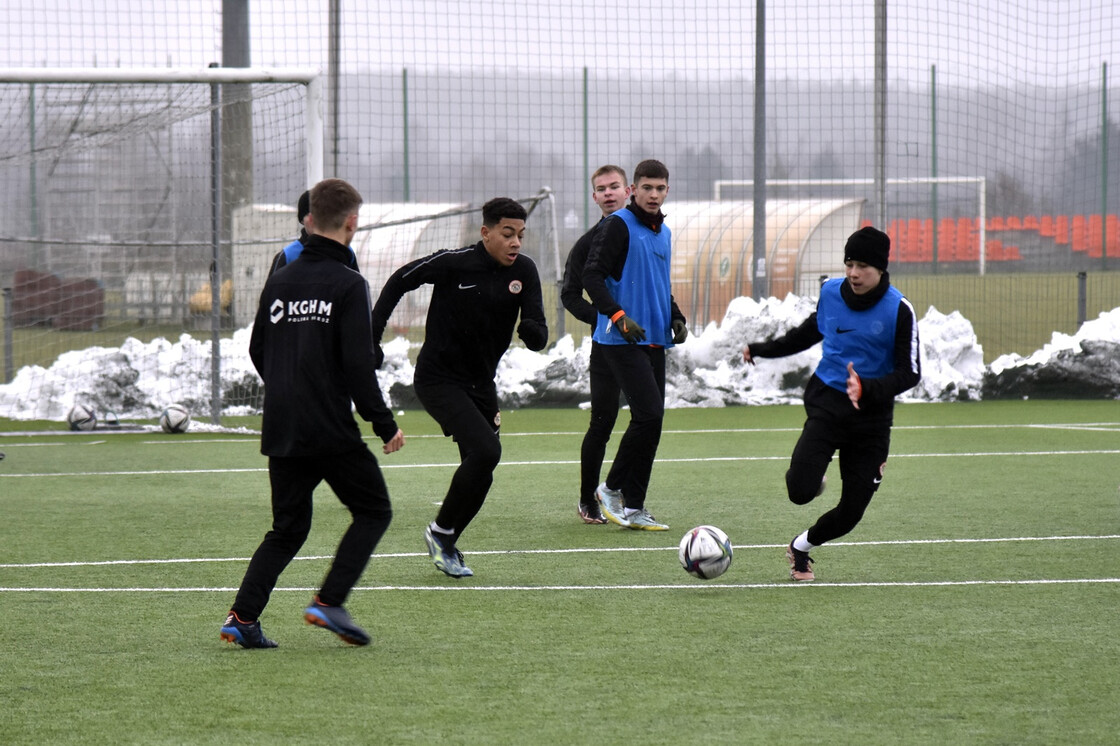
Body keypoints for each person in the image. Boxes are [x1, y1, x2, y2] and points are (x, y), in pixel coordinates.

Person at [220, 178, 405, 648]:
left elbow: (259, 347)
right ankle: (328, 601)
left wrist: (288, 387)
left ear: (309, 219)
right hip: (327, 425)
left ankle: (242, 618)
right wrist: (383, 423)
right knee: (373, 511)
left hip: (282, 423)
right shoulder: (348, 284)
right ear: (350, 222)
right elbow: (358, 365)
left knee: (287, 528)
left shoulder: (281, 279)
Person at [371, 197, 548, 578]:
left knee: (482, 465)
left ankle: (446, 537)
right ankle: (439, 533)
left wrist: (533, 333)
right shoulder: (455, 263)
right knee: (487, 450)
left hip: (481, 384)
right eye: (507, 233)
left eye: (521, 234)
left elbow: (538, 326)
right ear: (486, 233)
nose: (516, 242)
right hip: (438, 379)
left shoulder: (526, 272)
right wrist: (372, 336)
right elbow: (400, 280)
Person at [742, 226, 921, 581]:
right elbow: (809, 333)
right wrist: (765, 349)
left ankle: (802, 548)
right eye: (849, 263)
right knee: (800, 491)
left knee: (852, 513)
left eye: (863, 266)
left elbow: (909, 373)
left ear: (881, 268)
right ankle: (815, 471)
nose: (853, 273)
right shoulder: (831, 293)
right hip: (827, 402)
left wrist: (868, 388)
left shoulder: (900, 310)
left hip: (871, 419)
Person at [582, 159, 687, 531]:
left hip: (654, 338)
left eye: (660, 189)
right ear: (633, 191)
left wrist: (676, 315)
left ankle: (634, 507)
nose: (653, 194)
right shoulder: (617, 227)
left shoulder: (664, 232)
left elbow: (659, 281)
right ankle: (609, 489)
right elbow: (590, 276)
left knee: (653, 423)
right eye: (647, 188)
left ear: (666, 191)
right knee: (649, 414)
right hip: (619, 338)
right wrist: (616, 315)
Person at [560, 164, 631, 524]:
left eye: (614, 186)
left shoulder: (648, 234)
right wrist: (604, 318)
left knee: (648, 419)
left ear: (628, 190)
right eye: (601, 189)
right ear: (594, 197)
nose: (608, 193)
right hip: (606, 345)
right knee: (602, 422)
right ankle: (588, 498)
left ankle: (630, 497)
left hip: (646, 345)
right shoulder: (587, 244)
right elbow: (570, 295)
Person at [268, 189, 360, 277]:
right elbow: (273, 291)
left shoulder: (345, 251)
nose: (318, 221)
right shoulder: (288, 255)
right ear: (302, 220)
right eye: (312, 216)